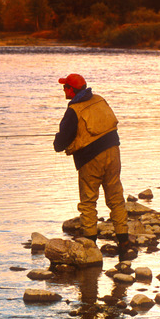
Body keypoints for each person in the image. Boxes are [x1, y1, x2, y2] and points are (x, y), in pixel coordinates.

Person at [53, 74, 134, 261]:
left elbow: (61, 143)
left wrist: (56, 142)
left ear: (72, 90)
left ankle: (91, 248)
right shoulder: (100, 99)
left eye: (65, 87)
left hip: (91, 159)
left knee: (88, 201)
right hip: (114, 153)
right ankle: (124, 243)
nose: (63, 90)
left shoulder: (74, 110)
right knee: (115, 198)